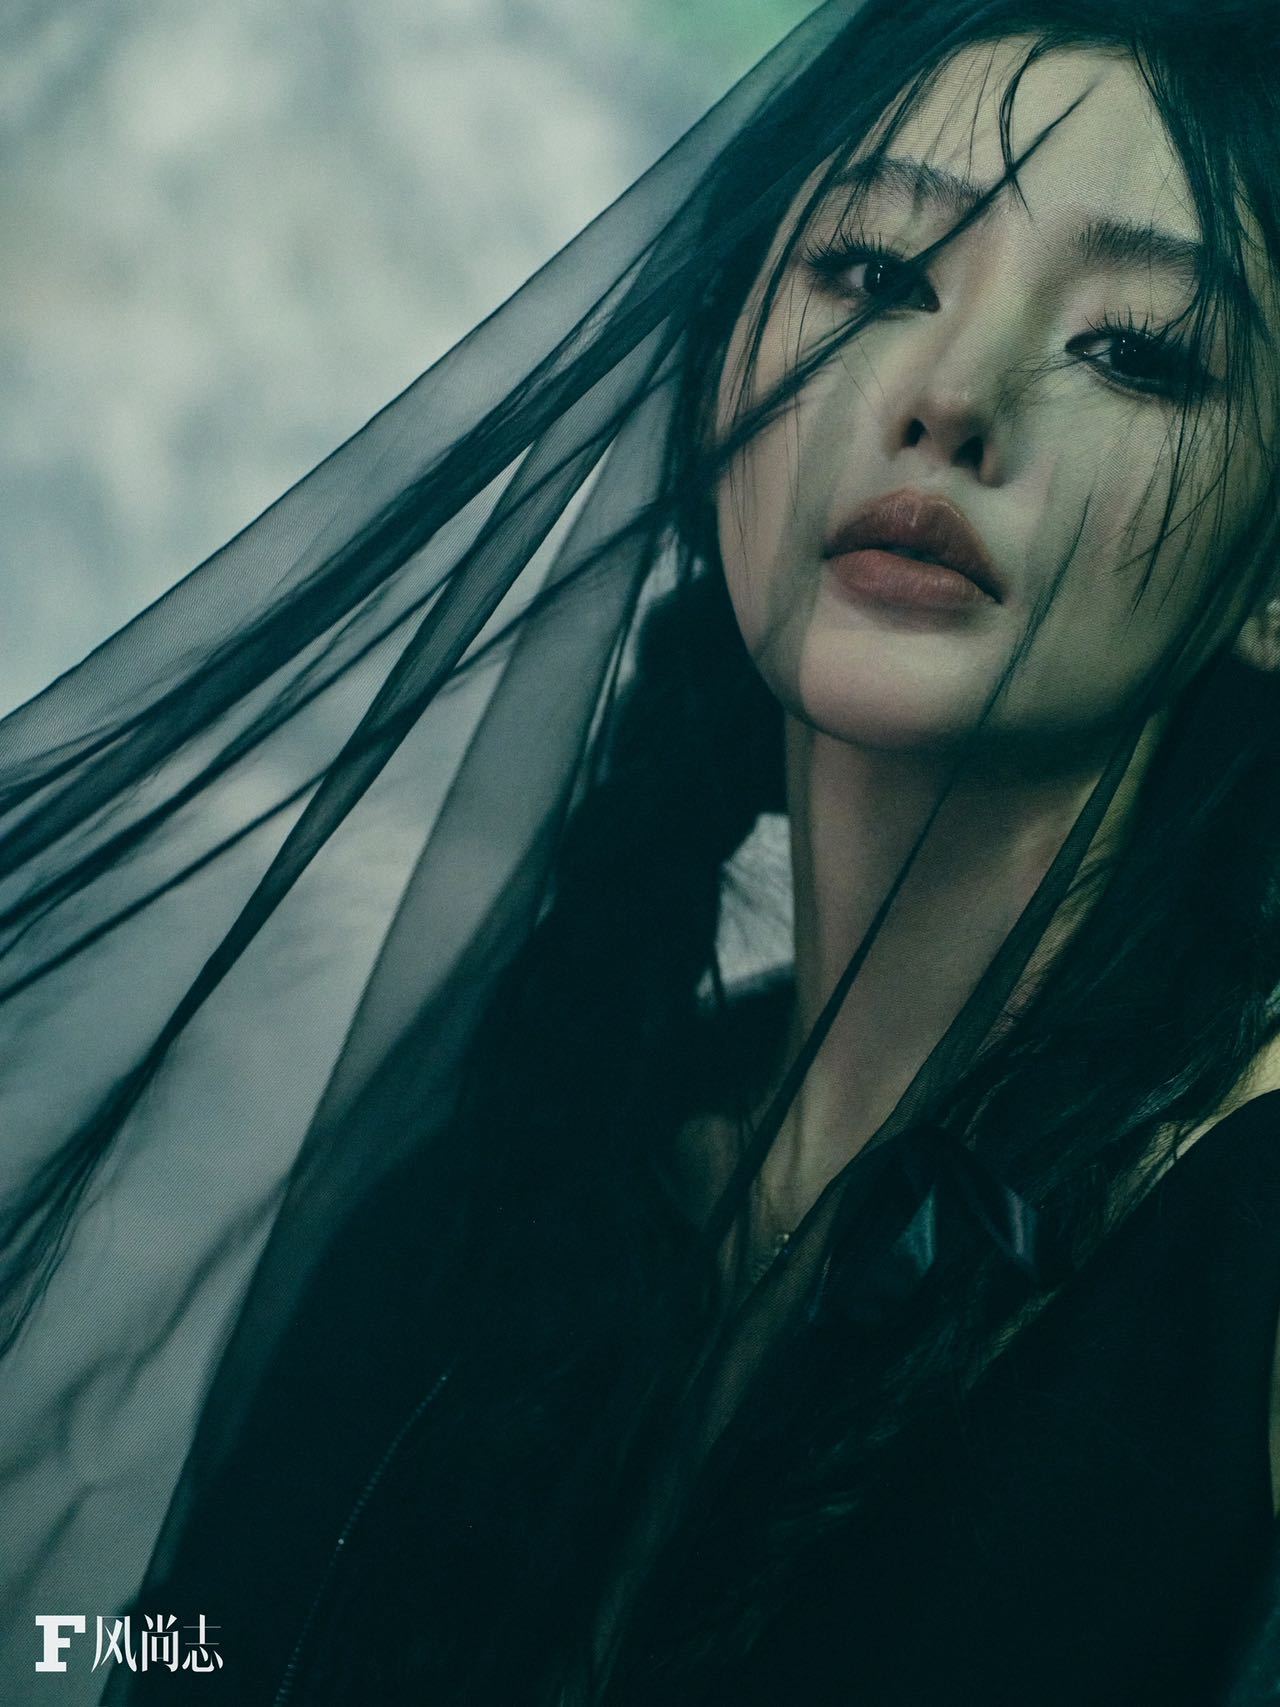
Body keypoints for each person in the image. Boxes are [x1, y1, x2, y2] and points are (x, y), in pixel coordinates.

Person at [6, 0, 1280, 1702]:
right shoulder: (543, 1163)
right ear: (715, 402)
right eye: (871, 275)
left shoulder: (1242, 1264)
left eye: (1135, 347)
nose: (951, 398)